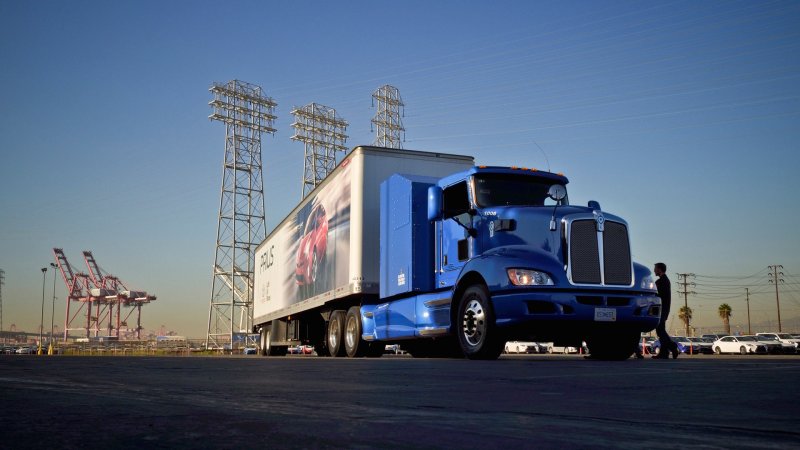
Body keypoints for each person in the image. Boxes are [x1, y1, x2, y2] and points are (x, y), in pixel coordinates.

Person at [653, 262, 679, 359]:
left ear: (659, 269)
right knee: (661, 330)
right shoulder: (664, 280)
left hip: (661, 309)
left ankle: (672, 346)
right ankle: (664, 353)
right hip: (664, 309)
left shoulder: (662, 281)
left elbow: (659, 296)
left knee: (660, 330)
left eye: (655, 268)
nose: (654, 270)